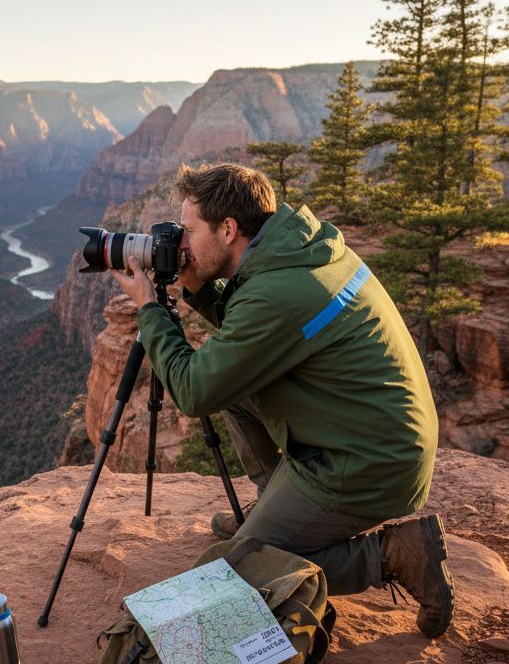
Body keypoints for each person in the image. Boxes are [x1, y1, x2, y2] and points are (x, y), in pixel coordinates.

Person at [109, 162, 454, 638]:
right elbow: (250, 338)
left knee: (244, 572)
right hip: (370, 430)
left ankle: (395, 555)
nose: (180, 244)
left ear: (228, 229)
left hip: (368, 464)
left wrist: (150, 308)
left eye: (188, 232)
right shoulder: (300, 251)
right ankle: (278, 505)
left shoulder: (278, 292)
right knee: (234, 383)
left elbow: (194, 391)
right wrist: (196, 287)